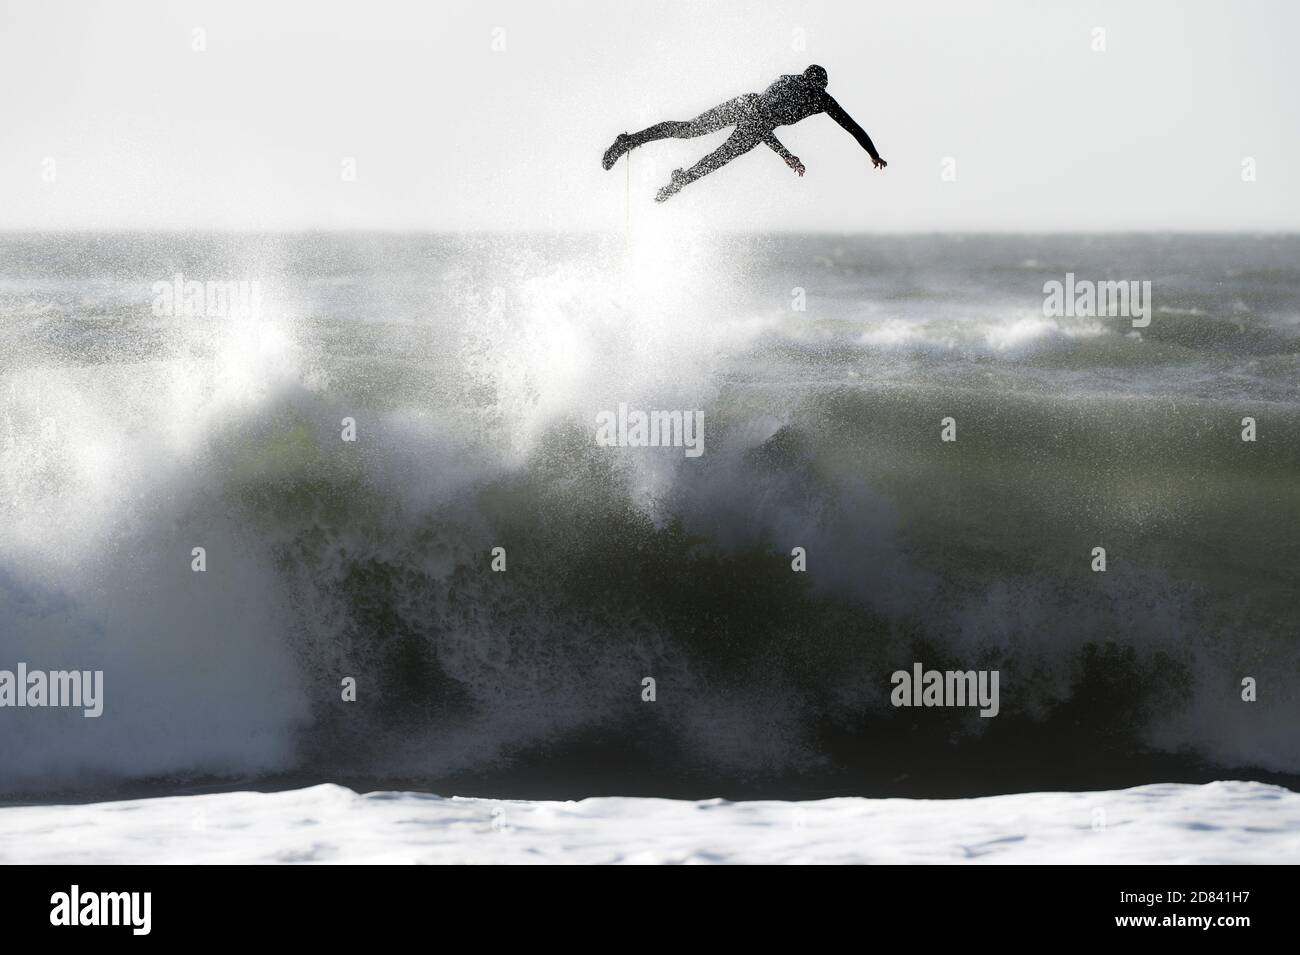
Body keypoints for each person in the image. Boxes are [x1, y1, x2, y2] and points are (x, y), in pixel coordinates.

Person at [601, 64, 887, 202]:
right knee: (693, 134)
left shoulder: (821, 100)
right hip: (748, 109)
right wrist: (787, 155)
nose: (804, 89)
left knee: (709, 152)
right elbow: (760, 122)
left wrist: (873, 154)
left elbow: (853, 127)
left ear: (818, 88)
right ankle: (632, 144)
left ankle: (675, 180)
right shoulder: (792, 86)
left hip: (752, 115)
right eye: (804, 85)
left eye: (810, 88)